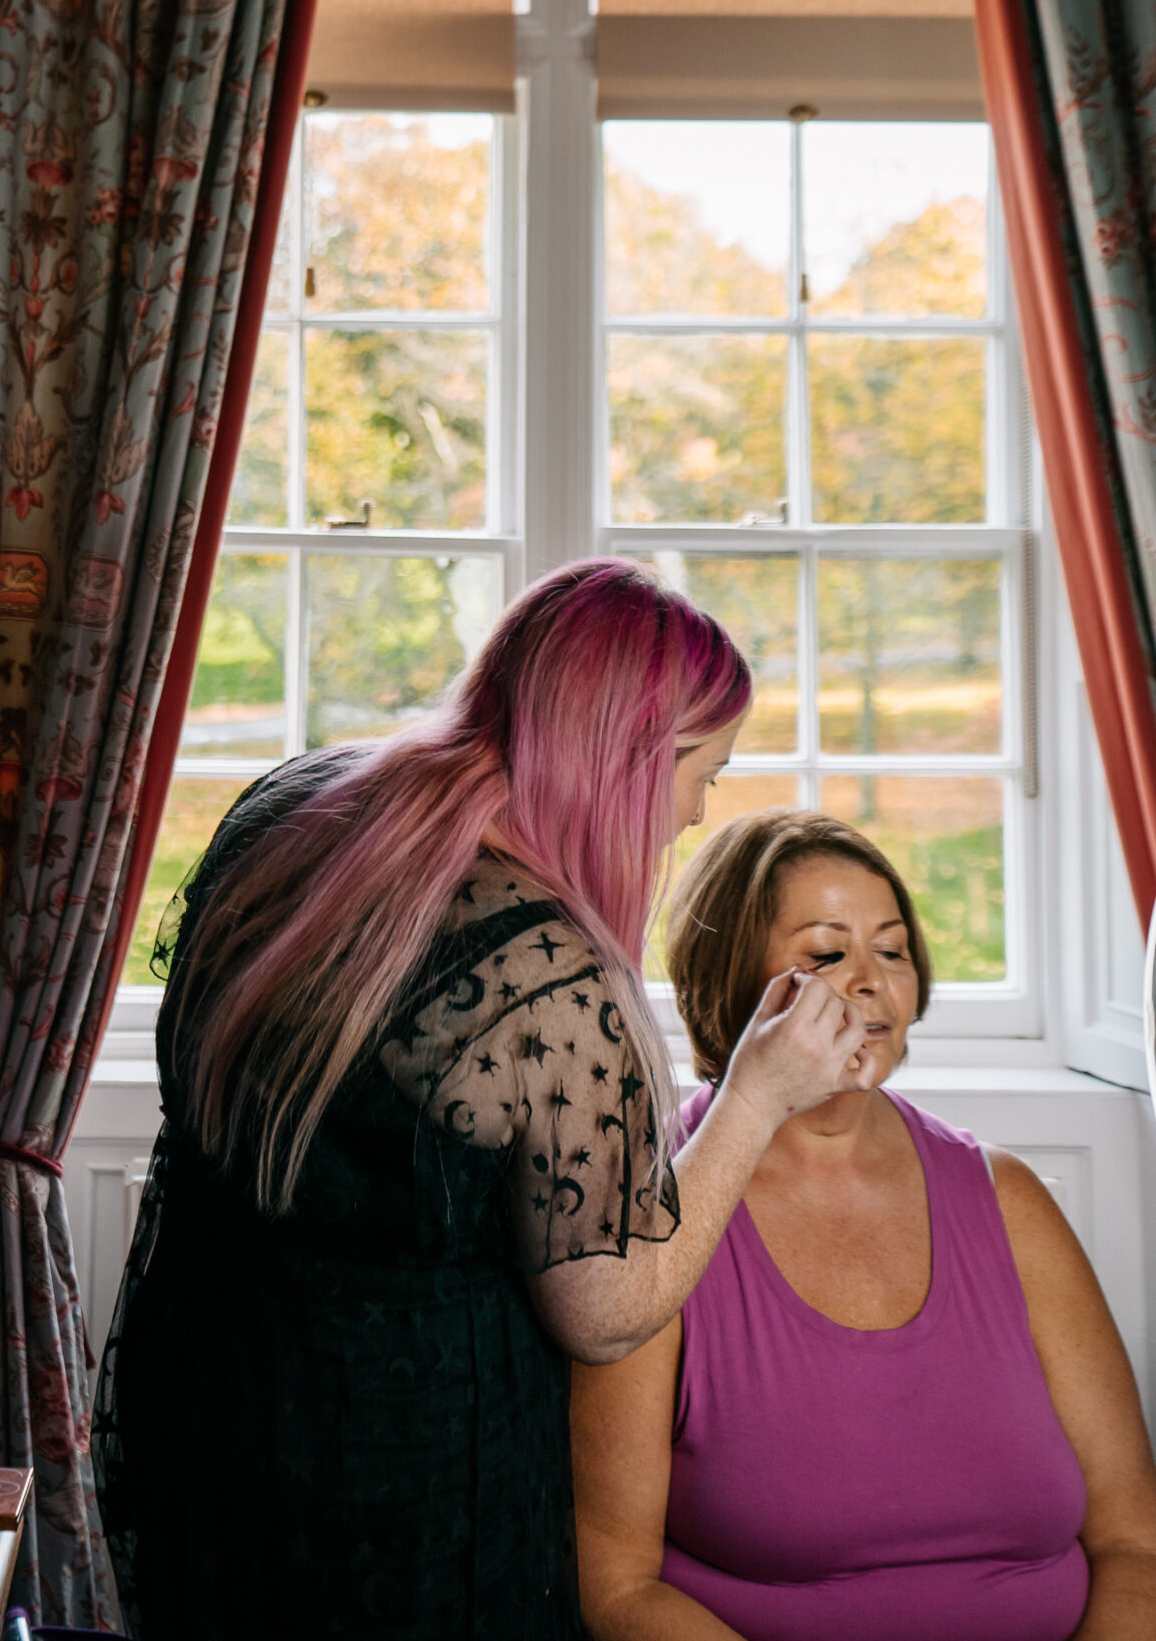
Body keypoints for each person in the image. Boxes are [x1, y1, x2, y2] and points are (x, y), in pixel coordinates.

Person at [91, 560, 876, 1640]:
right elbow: (605, 1311)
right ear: (630, 763)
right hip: (400, 1515)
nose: (697, 812)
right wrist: (758, 1093)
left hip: (204, 1421)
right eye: (702, 771)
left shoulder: (297, 808)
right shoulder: (549, 982)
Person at [572, 808, 1156, 1641]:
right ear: (731, 974)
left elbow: (1134, 1541)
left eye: (891, 950)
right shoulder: (650, 1225)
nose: (869, 981)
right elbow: (617, 1588)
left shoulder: (1008, 1198)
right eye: (825, 953)